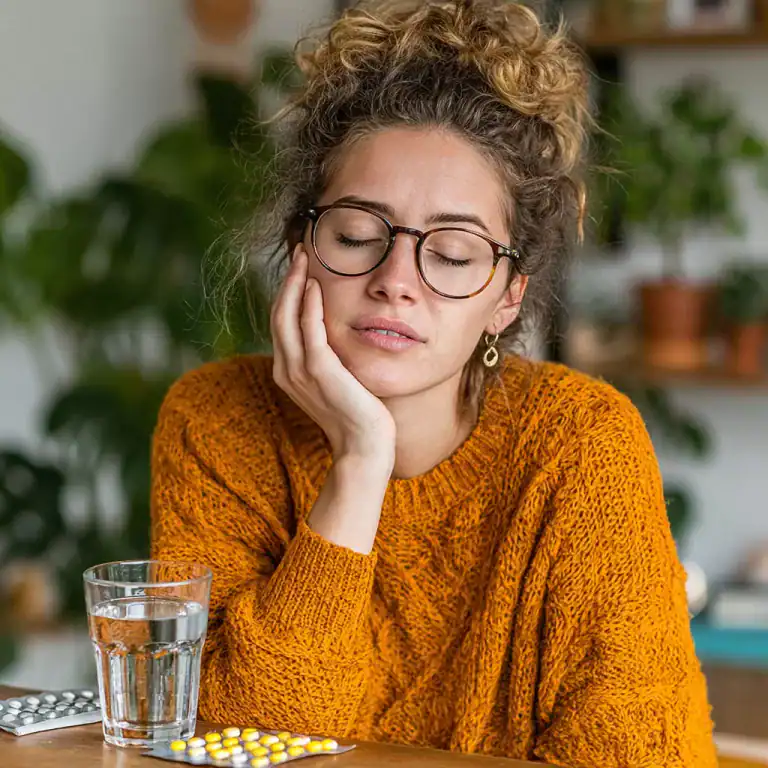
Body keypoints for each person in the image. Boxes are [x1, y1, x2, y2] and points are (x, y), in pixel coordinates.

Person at [150, 1, 717, 765]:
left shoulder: (581, 446)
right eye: (356, 234)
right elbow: (237, 741)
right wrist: (359, 462)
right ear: (300, 249)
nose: (396, 281)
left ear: (506, 296)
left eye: (451, 254)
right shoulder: (214, 421)